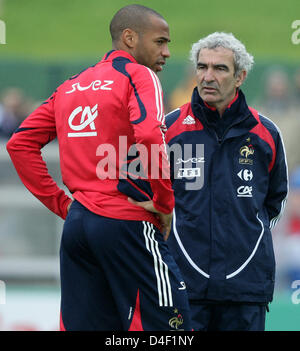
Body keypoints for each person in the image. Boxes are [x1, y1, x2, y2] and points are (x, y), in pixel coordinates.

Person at [6, 5, 191, 331]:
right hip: (128, 223)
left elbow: (19, 144)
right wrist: (165, 203)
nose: (167, 52)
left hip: (78, 228)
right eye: (160, 42)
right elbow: (149, 133)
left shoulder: (71, 86)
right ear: (130, 38)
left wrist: (65, 206)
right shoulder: (139, 75)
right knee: (171, 328)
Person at [132, 32, 288, 331]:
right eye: (201, 67)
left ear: (240, 76)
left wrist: (247, 233)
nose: (207, 76)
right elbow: (144, 193)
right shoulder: (168, 129)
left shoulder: (266, 133)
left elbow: (276, 199)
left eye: (219, 68)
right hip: (183, 285)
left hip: (246, 287)